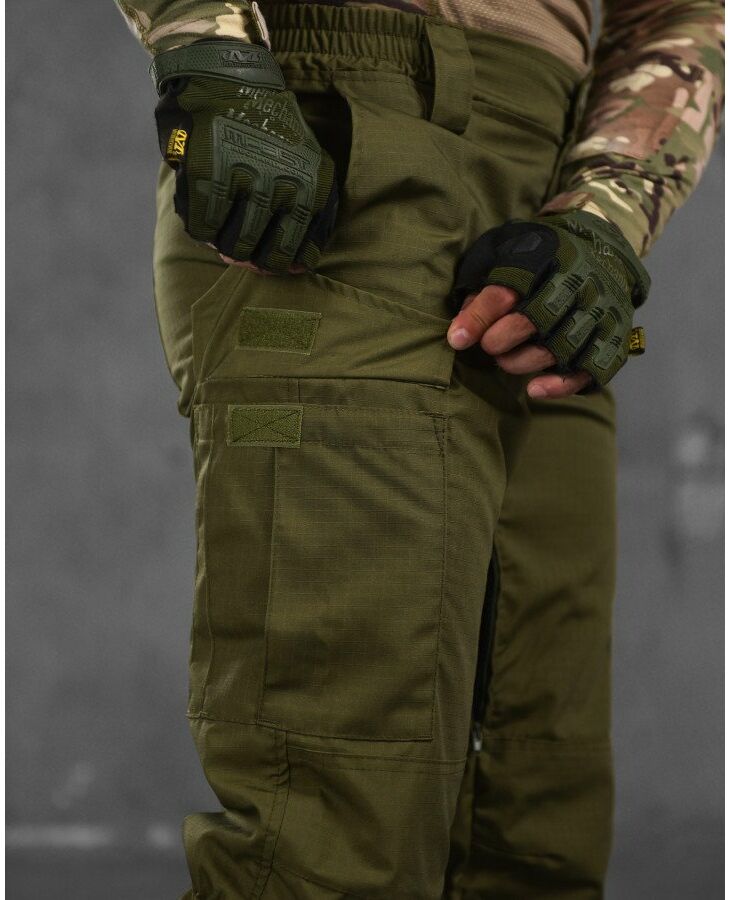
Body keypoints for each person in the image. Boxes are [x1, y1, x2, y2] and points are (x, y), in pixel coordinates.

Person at [115, 1, 724, 897]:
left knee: (535, 825)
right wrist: (209, 50)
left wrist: (608, 212)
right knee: (333, 840)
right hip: (341, 131)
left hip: (554, 209)